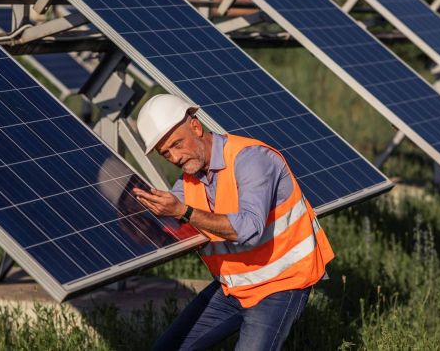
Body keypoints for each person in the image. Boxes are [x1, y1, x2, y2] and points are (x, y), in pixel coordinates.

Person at [132, 94, 334, 351]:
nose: (175, 157)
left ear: (195, 126)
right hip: (234, 287)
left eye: (177, 144)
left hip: (281, 284)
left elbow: (249, 229)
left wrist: (184, 212)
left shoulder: (251, 159)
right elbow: (169, 228)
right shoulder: (188, 182)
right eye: (166, 153)